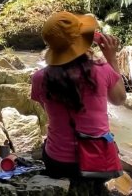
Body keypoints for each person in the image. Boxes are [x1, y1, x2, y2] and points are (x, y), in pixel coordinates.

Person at [30, 11, 126, 189]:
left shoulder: (39, 78)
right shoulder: (102, 69)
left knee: (47, 144)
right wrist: (111, 57)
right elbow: (119, 99)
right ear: (85, 40)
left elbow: (48, 111)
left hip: (58, 163)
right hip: (99, 164)